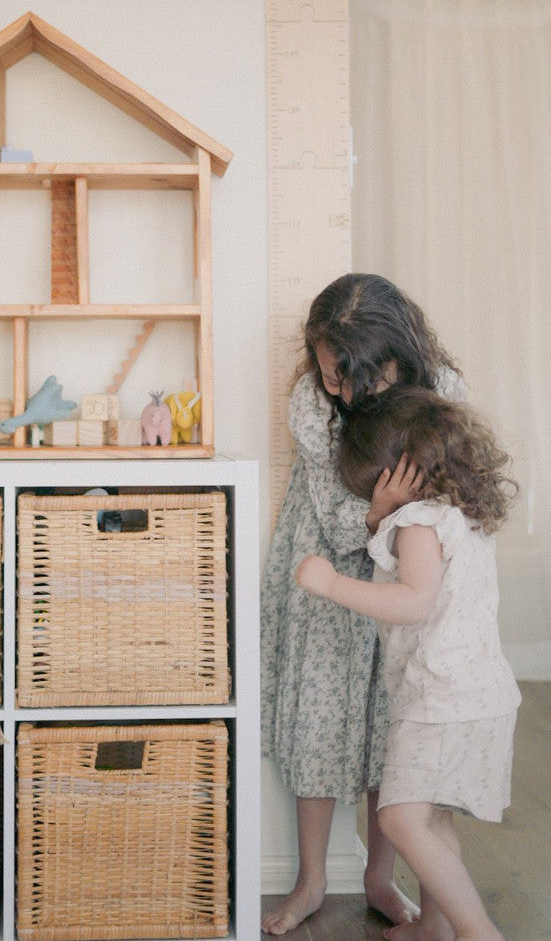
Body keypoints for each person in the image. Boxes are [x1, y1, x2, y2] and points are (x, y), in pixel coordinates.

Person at [261, 273, 464, 935]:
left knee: (390, 724)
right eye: (332, 379)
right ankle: (311, 879)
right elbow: (334, 512)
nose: (346, 395)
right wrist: (380, 512)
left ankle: (380, 876)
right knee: (318, 721)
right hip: (325, 564)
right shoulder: (310, 403)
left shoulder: (443, 391)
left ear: (398, 354)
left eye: (360, 379)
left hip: (408, 572)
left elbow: (450, 491)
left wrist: (395, 518)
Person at [295, 385, 520, 941]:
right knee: (431, 821)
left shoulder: (418, 522)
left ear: (394, 472)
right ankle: (435, 926)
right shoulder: (457, 514)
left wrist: (332, 583)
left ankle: (477, 932)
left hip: (441, 698)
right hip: (479, 696)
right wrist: (381, 522)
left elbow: (414, 601)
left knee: (400, 819)